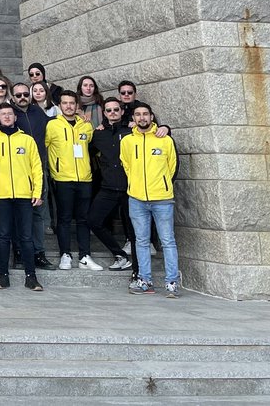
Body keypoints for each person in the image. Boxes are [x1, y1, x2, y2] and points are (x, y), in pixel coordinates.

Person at [0, 103, 44, 292]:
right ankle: (3, 275)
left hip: (24, 195)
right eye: (3, 114)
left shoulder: (27, 140)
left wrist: (37, 192)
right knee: (3, 237)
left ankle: (31, 276)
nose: (7, 117)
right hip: (0, 195)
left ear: (15, 117)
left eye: (10, 114)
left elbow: (37, 168)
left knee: (26, 237)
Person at [122, 105, 181, 297]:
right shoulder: (128, 141)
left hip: (162, 199)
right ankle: (145, 280)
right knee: (141, 241)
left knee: (167, 241)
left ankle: (171, 282)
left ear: (152, 117)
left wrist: (162, 185)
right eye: (138, 115)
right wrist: (136, 185)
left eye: (145, 114)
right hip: (136, 199)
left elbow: (172, 166)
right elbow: (127, 165)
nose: (142, 118)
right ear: (133, 118)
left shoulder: (165, 140)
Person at [45, 91, 104, 271]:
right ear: (60, 106)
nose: (69, 106)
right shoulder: (52, 125)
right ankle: (65, 254)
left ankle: (85, 256)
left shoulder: (86, 125)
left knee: (83, 219)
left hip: (85, 178)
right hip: (62, 178)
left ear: (77, 106)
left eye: (72, 103)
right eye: (65, 103)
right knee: (63, 218)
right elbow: (43, 148)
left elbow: (93, 146)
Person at [9, 80, 53, 270]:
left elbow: (55, 126)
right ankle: (19, 253)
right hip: (17, 172)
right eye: (18, 95)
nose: (22, 98)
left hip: (38, 170)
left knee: (38, 214)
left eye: (26, 94)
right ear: (13, 97)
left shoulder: (38, 112)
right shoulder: (9, 114)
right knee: (18, 215)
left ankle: (39, 253)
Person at [88, 97, 135, 272]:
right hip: (108, 187)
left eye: (116, 109)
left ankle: (138, 271)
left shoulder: (131, 131)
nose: (113, 113)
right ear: (104, 113)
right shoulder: (98, 134)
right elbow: (88, 152)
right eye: (109, 110)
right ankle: (120, 255)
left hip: (130, 188)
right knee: (93, 221)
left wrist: (165, 128)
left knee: (134, 229)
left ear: (122, 111)